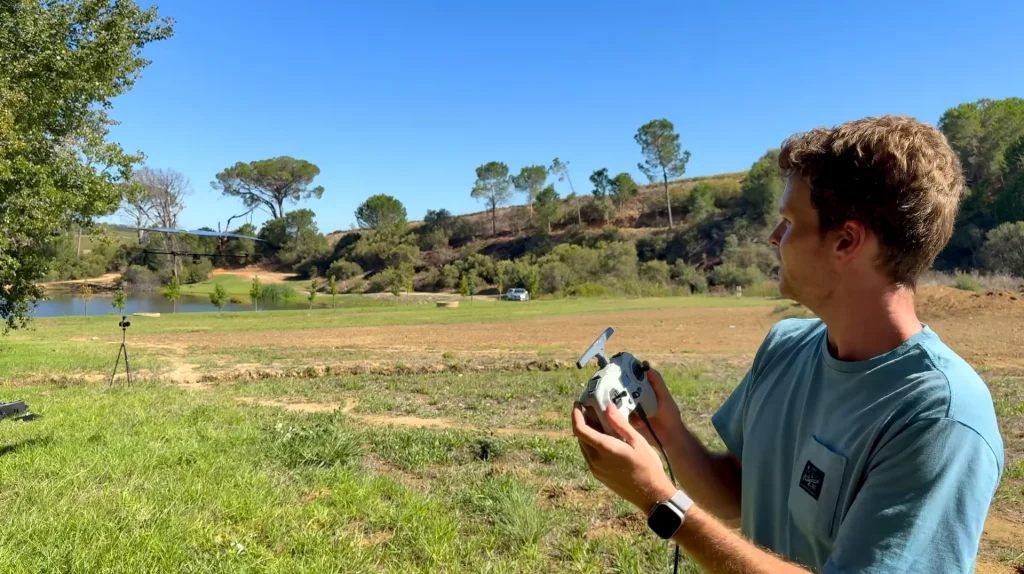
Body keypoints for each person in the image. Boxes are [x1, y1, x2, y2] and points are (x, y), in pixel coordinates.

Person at [572, 115, 1004, 573]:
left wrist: (662, 502)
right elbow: (738, 492)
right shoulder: (785, 346)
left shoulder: (939, 418)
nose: (774, 237)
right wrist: (668, 432)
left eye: (789, 221)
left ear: (846, 240)